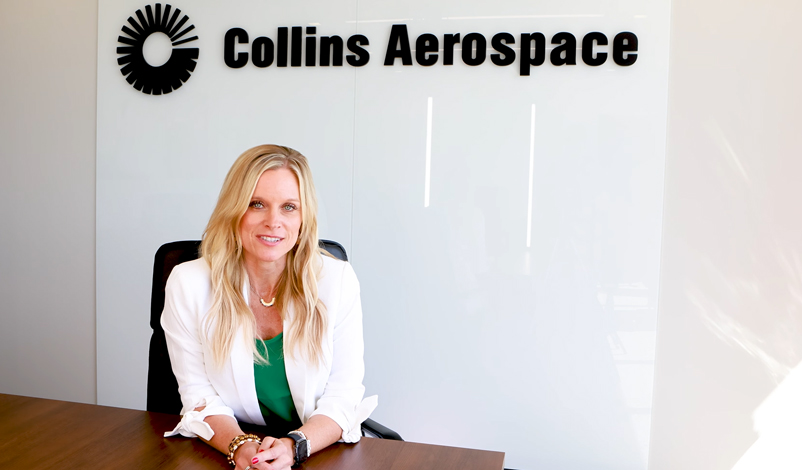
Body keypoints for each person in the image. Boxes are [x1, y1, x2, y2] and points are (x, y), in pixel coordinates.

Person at [161, 145, 376, 470]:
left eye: (289, 207)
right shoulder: (188, 282)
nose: (273, 221)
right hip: (230, 449)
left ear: (303, 219)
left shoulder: (337, 281)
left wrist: (294, 447)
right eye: (256, 204)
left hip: (317, 451)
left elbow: (344, 396)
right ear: (234, 210)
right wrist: (241, 446)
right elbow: (198, 394)